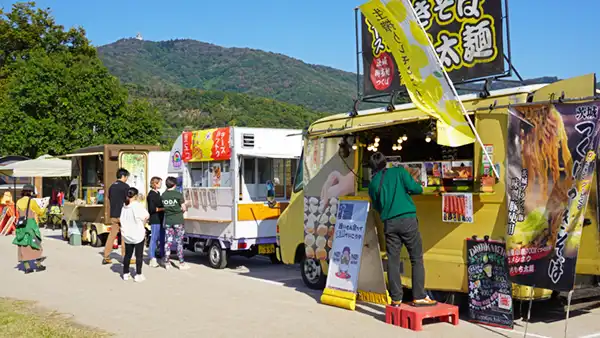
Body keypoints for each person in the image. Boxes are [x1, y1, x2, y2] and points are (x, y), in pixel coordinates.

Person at [367, 152, 436, 307]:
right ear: (385, 162)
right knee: (416, 258)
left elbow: (377, 206)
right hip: (408, 220)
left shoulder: (372, 184)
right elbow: (416, 189)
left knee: (393, 260)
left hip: (389, 223)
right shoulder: (398, 171)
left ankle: (396, 298)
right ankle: (418, 296)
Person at [12, 184, 46, 274]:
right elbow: (40, 212)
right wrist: (45, 207)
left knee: (23, 245)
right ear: (30, 192)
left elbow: (17, 214)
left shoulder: (18, 202)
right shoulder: (32, 202)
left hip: (21, 225)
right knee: (36, 244)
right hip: (30, 225)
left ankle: (27, 268)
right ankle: (38, 265)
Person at [120, 187, 149, 282]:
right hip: (137, 233)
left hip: (127, 234)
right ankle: (138, 274)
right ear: (136, 196)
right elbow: (146, 216)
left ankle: (125, 273)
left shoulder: (124, 206)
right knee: (139, 255)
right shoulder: (137, 205)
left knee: (128, 255)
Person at [102, 168, 130, 265]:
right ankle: (125, 256)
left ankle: (106, 256)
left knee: (112, 235)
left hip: (113, 214)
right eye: (126, 177)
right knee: (124, 236)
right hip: (123, 214)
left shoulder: (112, 187)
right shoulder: (126, 187)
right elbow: (128, 200)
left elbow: (110, 198)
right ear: (123, 176)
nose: (127, 179)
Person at [161, 176, 188, 270]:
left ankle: (167, 262)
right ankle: (181, 263)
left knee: (168, 242)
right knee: (179, 242)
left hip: (168, 221)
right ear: (175, 185)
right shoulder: (178, 194)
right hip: (178, 221)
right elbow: (184, 208)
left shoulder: (163, 195)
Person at [147, 177, 165, 267]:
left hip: (161, 218)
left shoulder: (158, 193)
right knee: (154, 238)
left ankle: (162, 256)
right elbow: (152, 209)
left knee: (162, 238)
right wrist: (163, 208)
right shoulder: (151, 195)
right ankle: (152, 258)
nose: (161, 184)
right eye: (159, 183)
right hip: (155, 219)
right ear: (155, 184)